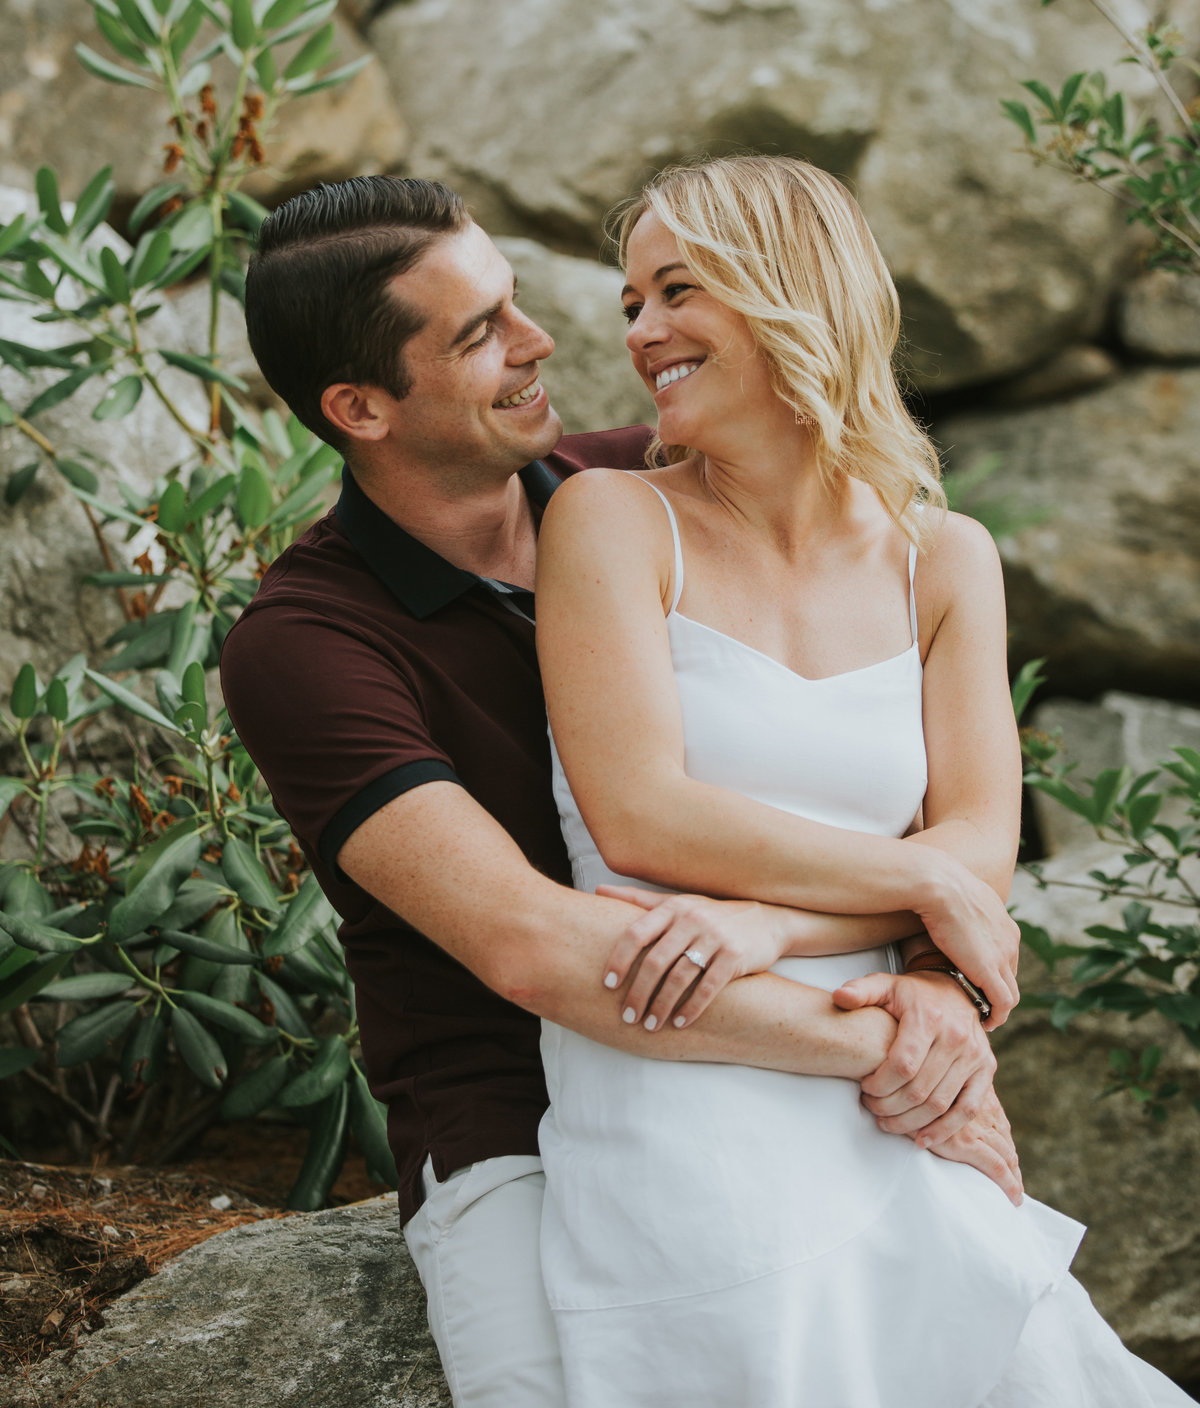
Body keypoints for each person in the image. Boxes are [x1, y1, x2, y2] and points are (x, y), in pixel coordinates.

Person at [221, 174, 1023, 1408]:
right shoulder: (307, 645)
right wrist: (904, 1048)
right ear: (359, 407)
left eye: (519, 303)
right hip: (513, 1123)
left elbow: (933, 821)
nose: (545, 342)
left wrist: (939, 987)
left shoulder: (662, 484)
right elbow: (537, 950)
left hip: (788, 1029)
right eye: (480, 332)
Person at [533, 153, 1189, 1407]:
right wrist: (923, 895)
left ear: (790, 292)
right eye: (631, 305)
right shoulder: (611, 521)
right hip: (684, 1048)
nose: (640, 332)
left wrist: (784, 925)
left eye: (676, 291)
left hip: (893, 1043)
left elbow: (982, 848)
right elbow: (644, 814)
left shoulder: (945, 555)